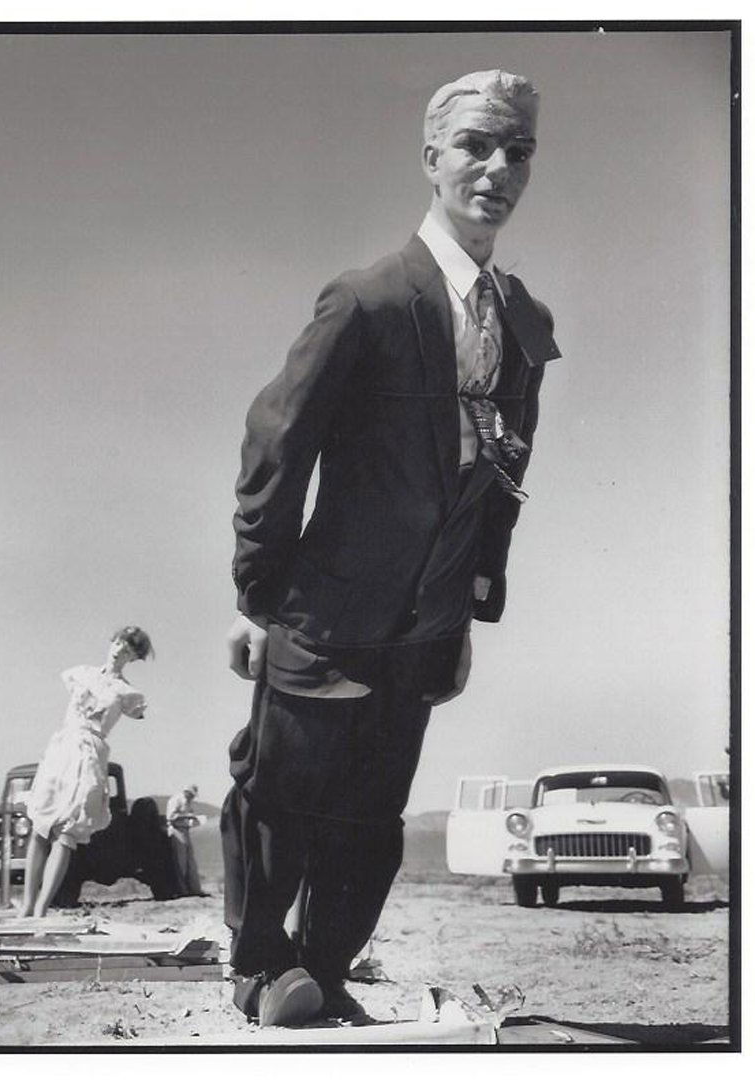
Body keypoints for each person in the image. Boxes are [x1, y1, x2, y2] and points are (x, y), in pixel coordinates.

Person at [220, 70, 560, 1027]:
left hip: (426, 621)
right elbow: (275, 443)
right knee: (279, 793)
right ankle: (257, 966)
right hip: (322, 610)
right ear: (433, 159)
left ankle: (323, 970)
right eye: (476, 147)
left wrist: (471, 607)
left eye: (518, 152)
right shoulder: (369, 299)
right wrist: (260, 596)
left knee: (373, 815)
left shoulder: (524, 324)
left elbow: (499, 482)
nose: (498, 169)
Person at [19, 626, 154, 917]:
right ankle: (26, 905)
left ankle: (42, 907)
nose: (119, 650)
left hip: (90, 754)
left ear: (132, 658)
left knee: (68, 831)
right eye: (118, 642)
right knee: (40, 825)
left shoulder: (127, 693)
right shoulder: (81, 673)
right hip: (62, 749)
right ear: (111, 642)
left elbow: (137, 713)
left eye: (128, 649)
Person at [166, 784, 205, 895]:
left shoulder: (188, 802)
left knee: (190, 861)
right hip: (177, 830)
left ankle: (194, 889)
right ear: (187, 792)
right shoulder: (176, 800)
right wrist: (188, 816)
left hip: (185, 830)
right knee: (180, 861)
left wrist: (193, 820)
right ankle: (181, 890)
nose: (192, 797)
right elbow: (171, 816)